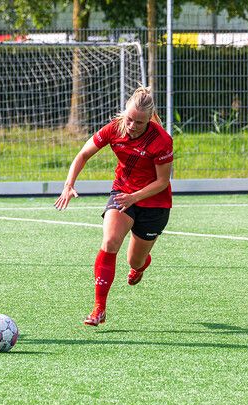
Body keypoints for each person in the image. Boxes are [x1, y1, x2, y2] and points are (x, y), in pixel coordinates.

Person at [54, 86, 173, 326]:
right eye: (129, 119)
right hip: (123, 194)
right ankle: (99, 309)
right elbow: (83, 155)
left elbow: (162, 182)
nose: (131, 126)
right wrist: (68, 185)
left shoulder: (161, 140)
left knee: (134, 262)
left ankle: (141, 265)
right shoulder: (114, 128)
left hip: (154, 203)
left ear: (149, 120)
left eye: (139, 122)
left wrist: (136, 196)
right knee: (109, 242)